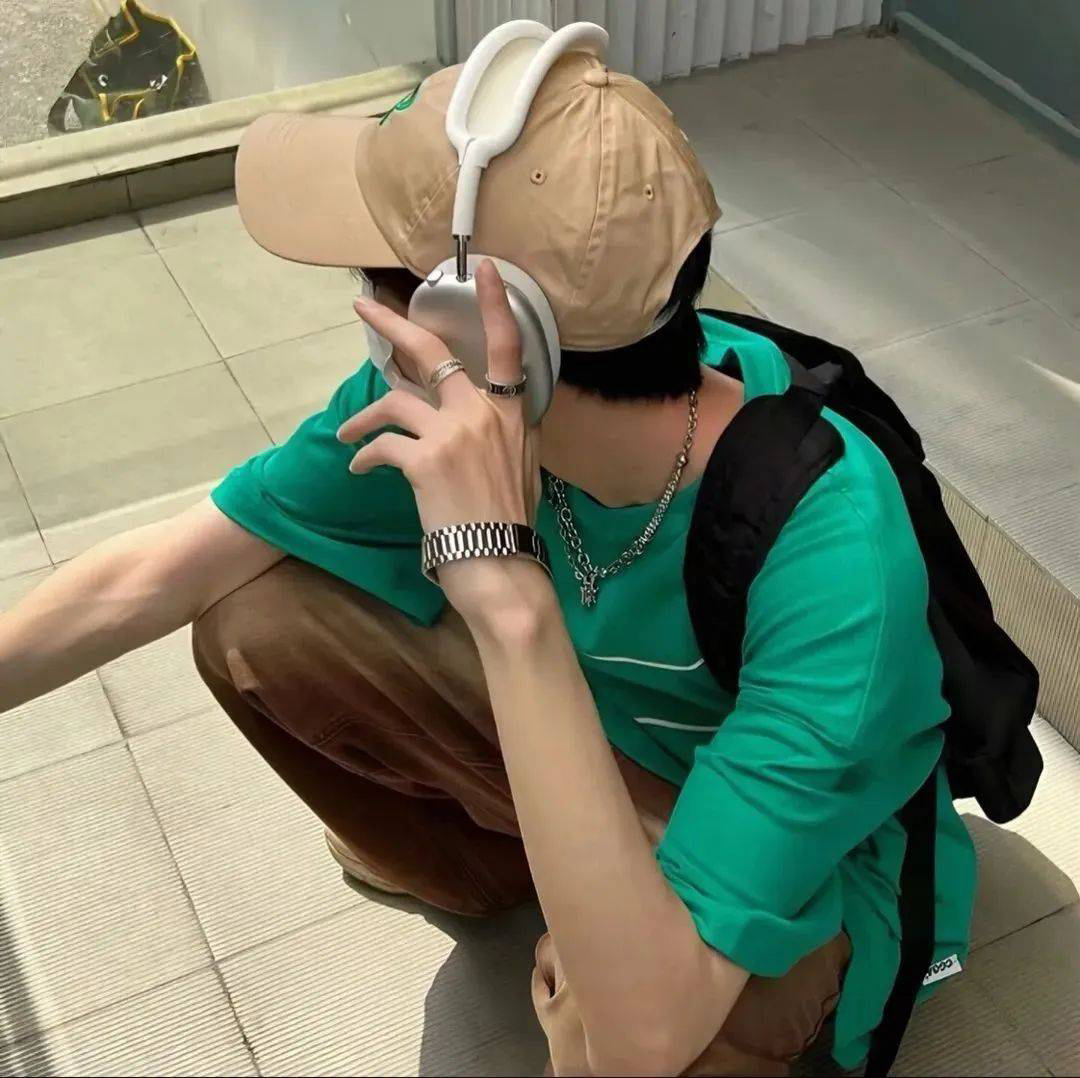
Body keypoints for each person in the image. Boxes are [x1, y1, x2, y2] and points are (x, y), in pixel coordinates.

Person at [0, 50, 975, 1077]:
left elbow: (644, 1038)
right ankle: (495, 874)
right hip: (614, 749)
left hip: (812, 865)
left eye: (376, 283)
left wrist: (506, 594)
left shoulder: (832, 552)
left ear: (470, 329)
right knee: (257, 626)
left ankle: (646, 927)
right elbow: (157, 573)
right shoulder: (461, 404)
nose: (364, 312)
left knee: (627, 1037)